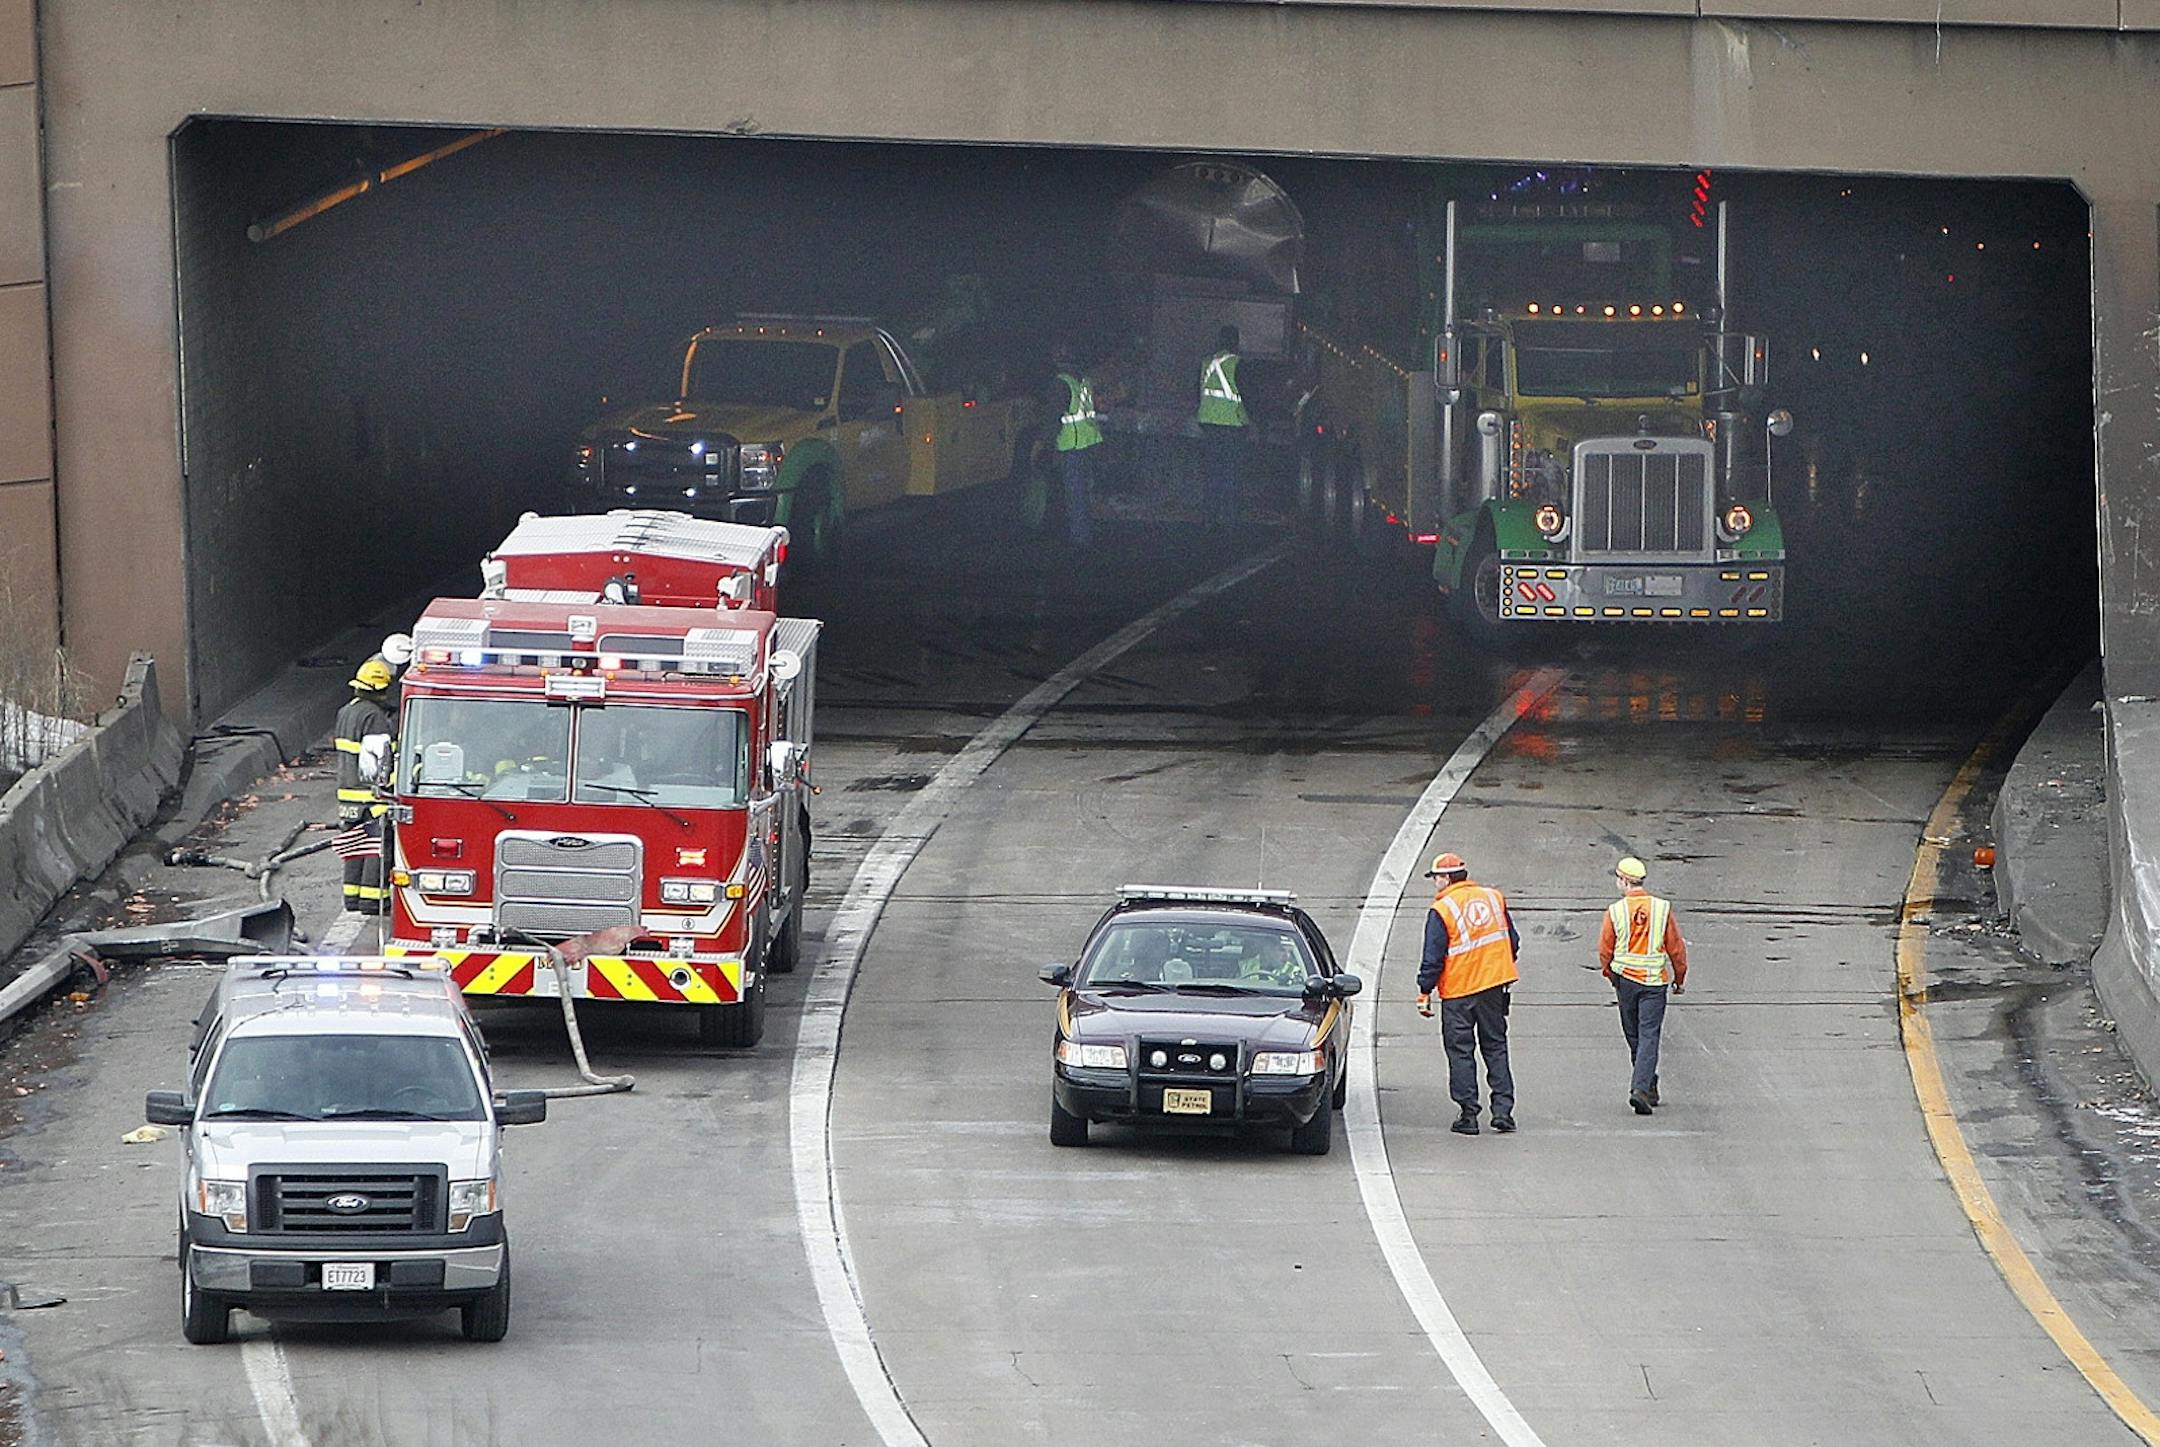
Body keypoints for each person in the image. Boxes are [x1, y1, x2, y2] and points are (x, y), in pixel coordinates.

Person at [1415, 852, 1521, 1135]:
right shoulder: (1493, 898)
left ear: (1446, 878)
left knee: (1461, 1050)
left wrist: (1424, 989)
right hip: (1493, 988)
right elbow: (1513, 941)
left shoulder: (1442, 909)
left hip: (1459, 991)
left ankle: (1468, 1114)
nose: (1434, 883)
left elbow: (1433, 956)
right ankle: (1503, 1111)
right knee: (1495, 1045)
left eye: (1436, 877)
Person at [1599, 855, 1690, 1116]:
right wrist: (1679, 978)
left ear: (1624, 881)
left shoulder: (1615, 911)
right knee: (1649, 1035)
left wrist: (1610, 974)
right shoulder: (1661, 909)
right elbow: (1676, 948)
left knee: (1634, 1035)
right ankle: (1647, 1085)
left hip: (1625, 981)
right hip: (1654, 982)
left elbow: (1605, 949)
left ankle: (1640, 1088)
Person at [333, 657, 396, 913]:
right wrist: (388, 791)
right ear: (380, 690)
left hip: (347, 794)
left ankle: (352, 897)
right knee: (378, 844)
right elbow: (377, 761)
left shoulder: (346, 711)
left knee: (354, 844)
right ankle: (373, 900)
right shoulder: (375, 717)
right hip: (371, 796)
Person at [1048, 342, 1104, 546]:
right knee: (1083, 492)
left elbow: (1053, 418)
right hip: (1089, 442)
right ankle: (1085, 533)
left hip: (1072, 445)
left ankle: (1080, 540)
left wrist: (1047, 446)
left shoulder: (1060, 383)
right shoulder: (1085, 381)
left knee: (1075, 493)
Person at [1196, 325, 1251, 524]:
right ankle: (1230, 519)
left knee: (1212, 472)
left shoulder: (1206, 363)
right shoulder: (1238, 364)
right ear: (1236, 342)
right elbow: (1247, 396)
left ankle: (1209, 517)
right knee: (1231, 474)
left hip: (1209, 424)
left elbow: (1198, 391)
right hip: (1232, 425)